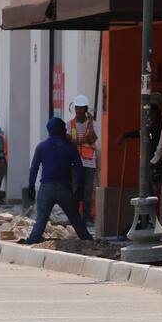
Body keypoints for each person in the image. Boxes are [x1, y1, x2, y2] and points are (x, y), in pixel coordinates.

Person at [21, 117, 94, 244]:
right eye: (64, 129)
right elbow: (79, 169)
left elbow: (34, 168)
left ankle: (32, 240)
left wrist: (31, 186)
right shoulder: (70, 148)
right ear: (61, 131)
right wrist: (80, 189)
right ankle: (88, 239)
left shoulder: (41, 147)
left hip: (46, 189)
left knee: (41, 220)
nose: (66, 131)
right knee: (75, 219)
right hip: (64, 190)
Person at [67, 95, 98, 225]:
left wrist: (90, 125)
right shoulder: (70, 124)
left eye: (80, 108)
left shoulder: (93, 124)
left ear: (85, 109)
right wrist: (79, 141)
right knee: (75, 190)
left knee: (87, 191)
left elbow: (93, 139)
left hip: (89, 162)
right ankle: (75, 217)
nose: (78, 111)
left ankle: (87, 217)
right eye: (76, 108)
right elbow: (68, 140)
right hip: (74, 162)